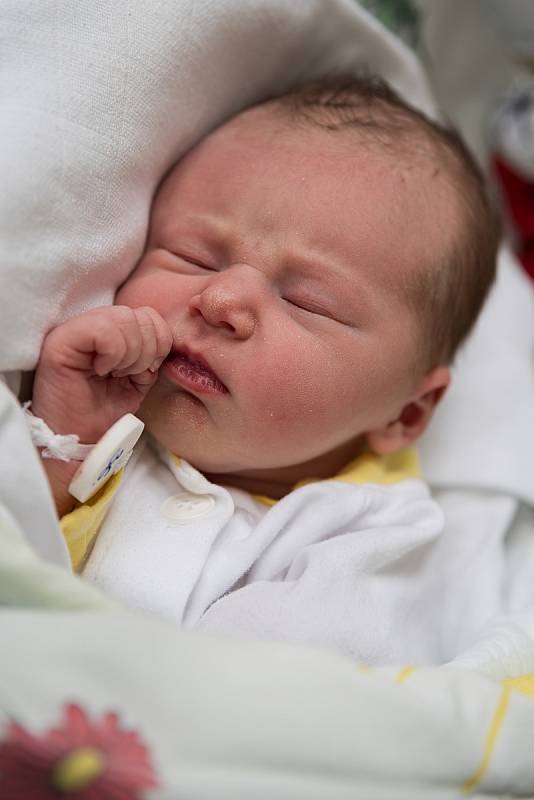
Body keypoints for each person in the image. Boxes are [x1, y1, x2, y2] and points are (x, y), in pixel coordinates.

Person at [28, 75, 499, 664]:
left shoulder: (378, 542)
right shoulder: (105, 431)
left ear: (406, 411)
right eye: (192, 256)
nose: (220, 300)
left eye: (307, 303)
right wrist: (64, 446)